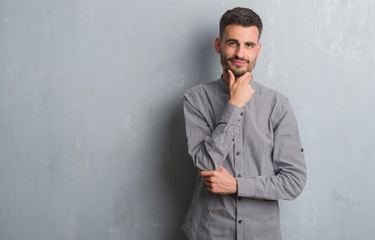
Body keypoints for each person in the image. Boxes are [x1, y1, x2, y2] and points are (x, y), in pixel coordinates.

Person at [182, 7, 307, 240]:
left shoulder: (277, 105)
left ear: (257, 49)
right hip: (209, 233)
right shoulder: (195, 99)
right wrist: (235, 105)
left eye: (249, 45)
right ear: (218, 45)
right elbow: (205, 163)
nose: (241, 53)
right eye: (233, 43)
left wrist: (237, 185)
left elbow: (294, 181)